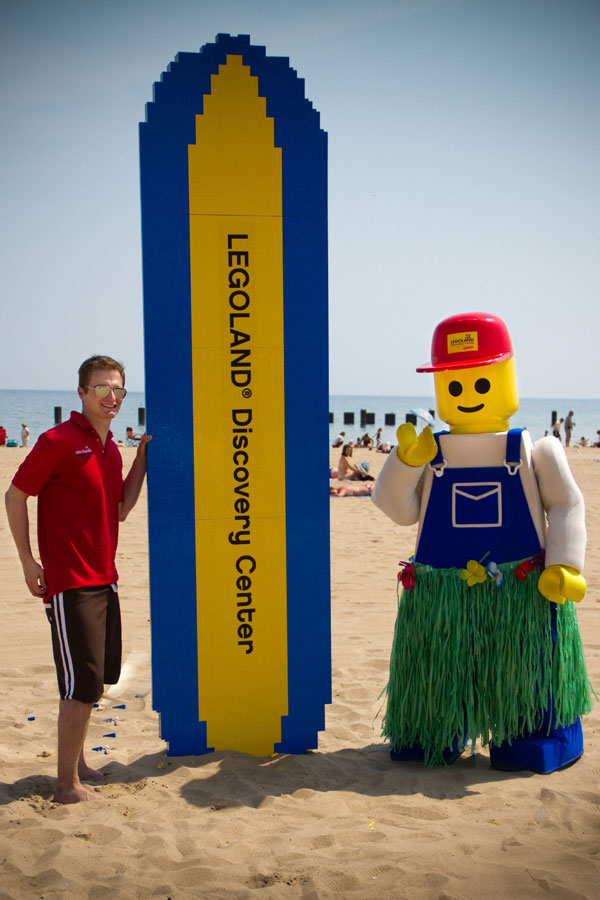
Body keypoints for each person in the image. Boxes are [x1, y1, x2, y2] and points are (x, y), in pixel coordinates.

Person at [372, 312, 590, 774]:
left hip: (520, 591)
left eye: (479, 383)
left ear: (506, 378)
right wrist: (404, 462)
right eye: (454, 386)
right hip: (441, 594)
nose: (467, 395)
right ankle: (431, 731)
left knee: (525, 680)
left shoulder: (536, 449)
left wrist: (565, 564)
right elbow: (398, 509)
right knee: (438, 675)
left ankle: (533, 735)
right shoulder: (432, 452)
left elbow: (566, 504)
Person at [4, 355, 152, 804]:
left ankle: (80, 764)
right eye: (102, 388)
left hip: (105, 578)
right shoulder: (57, 440)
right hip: (70, 584)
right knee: (79, 684)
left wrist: (142, 458)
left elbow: (121, 509)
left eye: (118, 390)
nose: (111, 396)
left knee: (98, 680)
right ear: (82, 393)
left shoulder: (110, 448)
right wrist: (28, 561)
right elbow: (14, 495)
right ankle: (66, 785)